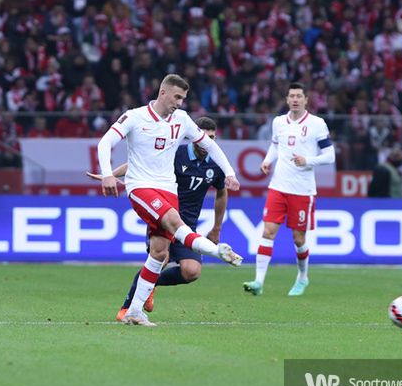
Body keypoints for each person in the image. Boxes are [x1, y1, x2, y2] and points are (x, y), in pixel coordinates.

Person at [96, 74, 243, 326]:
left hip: (168, 190)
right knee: (175, 223)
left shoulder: (182, 120)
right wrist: (107, 174)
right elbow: (105, 142)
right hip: (141, 187)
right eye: (177, 97)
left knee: (159, 252)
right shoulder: (134, 116)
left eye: (183, 98)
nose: (180, 102)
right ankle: (217, 251)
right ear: (162, 93)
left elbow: (210, 145)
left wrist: (229, 173)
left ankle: (133, 311)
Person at [89, 117, 228, 320]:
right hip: (163, 215)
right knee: (158, 259)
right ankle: (127, 308)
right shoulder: (177, 153)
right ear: (194, 137)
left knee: (192, 271)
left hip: (187, 225)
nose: (207, 143)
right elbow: (140, 163)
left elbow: (222, 193)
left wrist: (216, 227)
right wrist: (110, 175)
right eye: (204, 138)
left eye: (212, 138)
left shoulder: (216, 163)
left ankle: (151, 284)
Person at [242, 82, 335, 296]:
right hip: (278, 186)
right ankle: (258, 281)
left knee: (298, 239)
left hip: (302, 190)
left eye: (299, 96)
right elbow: (276, 145)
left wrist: (308, 160)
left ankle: (302, 277)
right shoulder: (278, 122)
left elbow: (330, 155)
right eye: (291, 96)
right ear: (287, 99)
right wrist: (267, 160)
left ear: (305, 100)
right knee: (268, 231)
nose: (295, 99)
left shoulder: (317, 124)